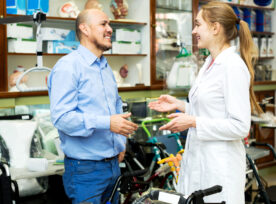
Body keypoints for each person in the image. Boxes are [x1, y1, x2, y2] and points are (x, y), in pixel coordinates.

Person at [148, 2, 262, 204]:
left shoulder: (232, 66)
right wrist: (181, 106)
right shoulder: (209, 64)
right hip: (199, 164)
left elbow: (240, 126)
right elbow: (212, 111)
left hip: (219, 169)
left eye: (198, 24)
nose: (194, 31)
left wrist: (193, 122)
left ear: (215, 27)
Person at [47, 9, 138, 204]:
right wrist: (107, 123)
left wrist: (120, 143)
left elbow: (116, 109)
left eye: (109, 24)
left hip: (113, 166)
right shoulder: (68, 67)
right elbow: (62, 118)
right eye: (103, 24)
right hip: (85, 171)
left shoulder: (105, 68)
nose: (110, 29)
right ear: (84, 29)